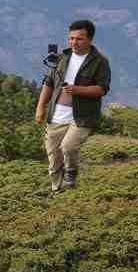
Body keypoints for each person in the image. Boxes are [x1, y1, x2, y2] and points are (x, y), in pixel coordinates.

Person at [35, 19, 113, 192]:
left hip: (82, 116)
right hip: (56, 115)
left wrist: (77, 90)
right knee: (54, 159)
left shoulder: (100, 61)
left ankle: (71, 171)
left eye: (79, 39)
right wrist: (40, 108)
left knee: (68, 146)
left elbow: (101, 89)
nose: (73, 42)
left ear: (90, 39)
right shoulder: (61, 58)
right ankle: (58, 191)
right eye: (71, 38)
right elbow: (48, 83)